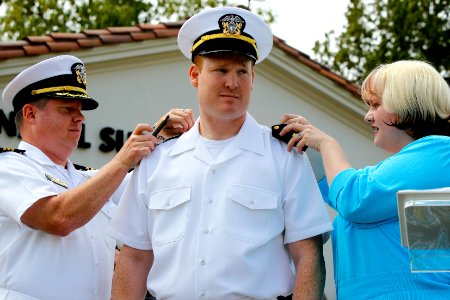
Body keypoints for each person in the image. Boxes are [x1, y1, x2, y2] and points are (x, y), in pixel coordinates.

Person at [109, 6, 333, 300]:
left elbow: (308, 257)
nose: (232, 82)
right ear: (194, 74)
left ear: (253, 78)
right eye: (221, 70)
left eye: (243, 71)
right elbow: (133, 259)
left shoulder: (285, 156)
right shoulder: (157, 160)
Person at [0, 54, 195, 300]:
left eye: (80, 110)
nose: (80, 117)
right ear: (30, 114)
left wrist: (160, 137)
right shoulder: (8, 166)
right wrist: (123, 160)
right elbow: (58, 217)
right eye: (67, 109)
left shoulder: (87, 178)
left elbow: (154, 189)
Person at [280, 60, 450, 299]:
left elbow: (355, 199)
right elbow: (348, 197)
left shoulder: (441, 153)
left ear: (406, 103)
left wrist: (328, 146)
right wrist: (311, 155)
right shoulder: (426, 165)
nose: (367, 116)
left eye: (376, 105)